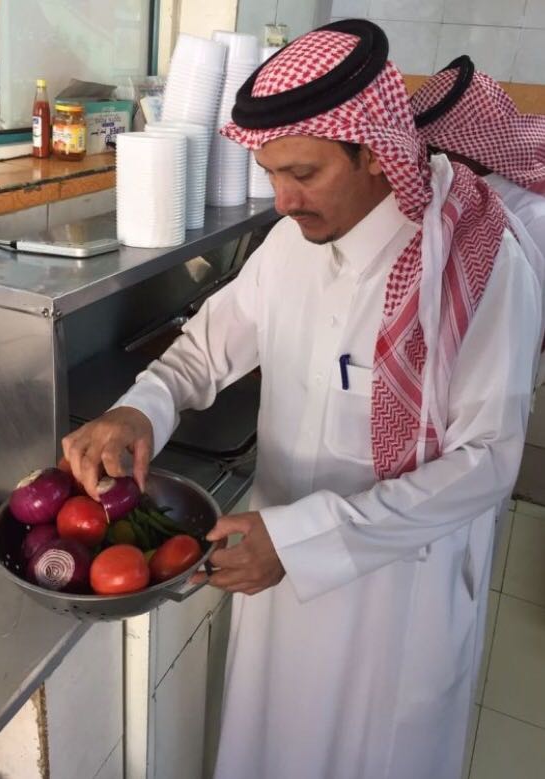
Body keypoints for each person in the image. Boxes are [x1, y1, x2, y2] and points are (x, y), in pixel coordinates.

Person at [62, 20, 542, 779]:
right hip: (279, 576)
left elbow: (486, 462)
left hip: (397, 596)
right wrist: (139, 407)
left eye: (304, 173)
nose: (283, 199)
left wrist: (300, 543)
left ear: (375, 153)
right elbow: (204, 350)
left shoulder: (477, 264)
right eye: (271, 173)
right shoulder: (292, 244)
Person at [410, 56, 545, 385]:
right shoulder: (457, 190)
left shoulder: (534, 215)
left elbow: (531, 320)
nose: (425, 161)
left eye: (432, 151)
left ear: (467, 147)